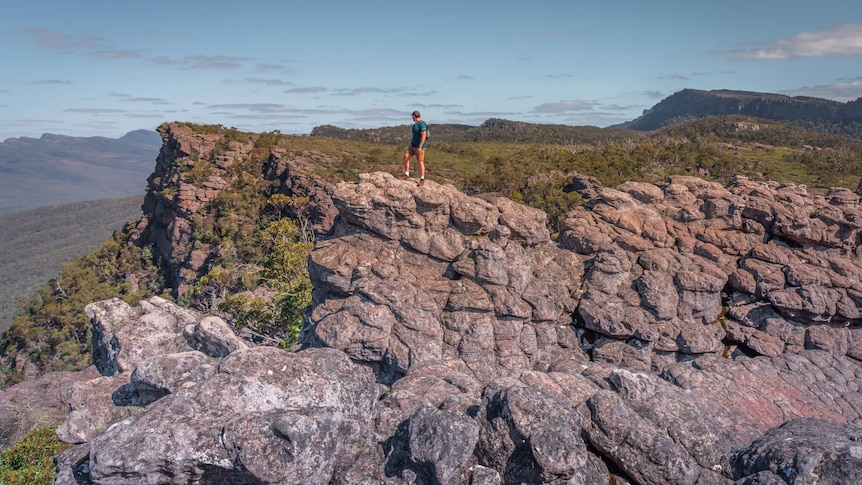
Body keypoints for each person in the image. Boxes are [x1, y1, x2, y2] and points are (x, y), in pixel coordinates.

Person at [401, 110, 427, 185]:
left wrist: (420, 146)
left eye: (412, 116)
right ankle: (406, 174)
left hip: (420, 147)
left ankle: (422, 179)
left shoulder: (422, 124)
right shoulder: (415, 124)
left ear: (414, 116)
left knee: (420, 162)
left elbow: (423, 136)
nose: (412, 118)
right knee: (406, 156)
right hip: (412, 146)